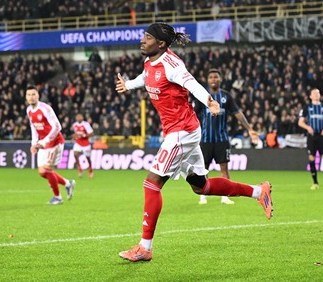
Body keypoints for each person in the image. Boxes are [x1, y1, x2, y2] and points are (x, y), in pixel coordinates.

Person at [115, 22, 273, 262]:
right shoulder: (149, 61)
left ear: (161, 43)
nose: (142, 41)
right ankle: (259, 192)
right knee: (202, 186)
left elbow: (191, 83)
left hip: (182, 132)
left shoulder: (173, 64)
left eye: (147, 37)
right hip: (184, 130)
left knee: (152, 184)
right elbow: (146, 78)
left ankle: (145, 247)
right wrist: (129, 84)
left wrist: (209, 101)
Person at [193, 69, 259, 205]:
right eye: (211, 77)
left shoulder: (226, 96)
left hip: (222, 140)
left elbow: (238, 113)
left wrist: (250, 129)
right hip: (205, 139)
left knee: (224, 168)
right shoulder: (202, 96)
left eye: (216, 77)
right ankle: (203, 195)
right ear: (208, 80)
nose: (213, 79)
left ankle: (225, 196)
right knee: (203, 167)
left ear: (220, 79)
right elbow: (192, 114)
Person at [26, 85, 76, 205]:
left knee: (47, 170)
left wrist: (44, 141)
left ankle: (58, 197)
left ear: (38, 95)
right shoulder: (29, 110)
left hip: (54, 142)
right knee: (42, 172)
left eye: (33, 94)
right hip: (43, 144)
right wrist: (34, 143)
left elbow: (58, 127)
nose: (31, 97)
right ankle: (68, 183)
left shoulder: (45, 108)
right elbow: (33, 127)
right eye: (29, 95)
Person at [298, 88, 323, 190]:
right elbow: (300, 122)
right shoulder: (307, 108)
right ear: (310, 96)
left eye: (318, 93)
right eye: (314, 93)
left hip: (322, 136)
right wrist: (308, 127)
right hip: (311, 137)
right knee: (312, 158)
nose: (316, 94)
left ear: (320, 95)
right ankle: (315, 183)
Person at [72, 113, 94, 178]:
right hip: (78, 142)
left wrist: (84, 135)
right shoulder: (74, 125)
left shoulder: (86, 124)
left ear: (82, 117)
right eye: (77, 117)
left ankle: (90, 169)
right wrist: (75, 136)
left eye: (79, 116)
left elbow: (91, 133)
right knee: (75, 154)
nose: (78, 118)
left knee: (88, 157)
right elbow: (76, 133)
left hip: (86, 143)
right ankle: (80, 169)